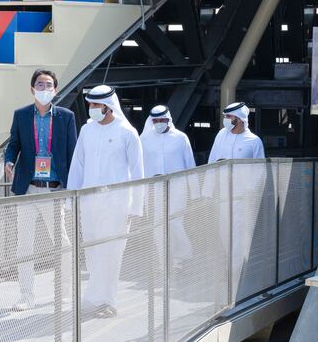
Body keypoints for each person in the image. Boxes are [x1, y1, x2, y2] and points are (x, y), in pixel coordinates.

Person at [67, 84, 144, 318]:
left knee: (111, 251)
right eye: (90, 104)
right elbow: (77, 165)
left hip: (117, 204)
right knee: (92, 249)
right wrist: (71, 199)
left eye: (96, 105)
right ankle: (94, 297)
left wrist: (135, 207)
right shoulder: (86, 130)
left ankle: (107, 301)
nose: (91, 108)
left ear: (109, 107)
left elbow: (138, 171)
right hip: (90, 202)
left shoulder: (127, 132)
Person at [4, 69, 78, 311]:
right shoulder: (22, 115)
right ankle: (26, 295)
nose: (44, 89)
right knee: (23, 245)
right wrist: (9, 160)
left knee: (62, 242)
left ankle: (64, 292)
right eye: (40, 84)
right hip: (28, 188)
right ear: (32, 88)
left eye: (48, 85)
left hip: (54, 190)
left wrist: (72, 187)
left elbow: (72, 151)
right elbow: (14, 143)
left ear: (55, 89)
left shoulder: (66, 117)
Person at [207, 101, 268, 300]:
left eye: (229, 117)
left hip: (243, 198)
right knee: (225, 234)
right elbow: (211, 161)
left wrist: (251, 192)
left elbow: (260, 171)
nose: (226, 120)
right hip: (223, 196)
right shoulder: (220, 136)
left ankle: (237, 276)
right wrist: (207, 192)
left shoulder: (253, 141)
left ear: (239, 119)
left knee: (240, 235)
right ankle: (232, 272)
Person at [140, 105, 196, 265]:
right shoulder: (144, 139)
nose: (159, 123)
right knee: (158, 225)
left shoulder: (180, 137)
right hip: (153, 190)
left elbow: (190, 165)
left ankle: (185, 254)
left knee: (175, 222)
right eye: (155, 120)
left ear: (168, 120)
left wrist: (196, 193)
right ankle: (165, 261)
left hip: (177, 188)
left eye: (162, 120)